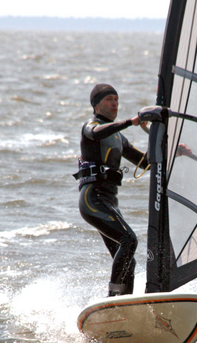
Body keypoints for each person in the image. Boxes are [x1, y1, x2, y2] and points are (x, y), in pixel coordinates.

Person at [74, 83, 149, 297]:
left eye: (116, 99)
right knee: (129, 240)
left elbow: (147, 163)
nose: (114, 103)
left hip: (110, 202)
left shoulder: (119, 138)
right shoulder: (91, 126)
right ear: (96, 106)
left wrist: (172, 150)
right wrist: (129, 123)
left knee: (128, 258)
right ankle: (112, 297)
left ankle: (125, 302)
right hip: (92, 199)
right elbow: (96, 133)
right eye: (109, 99)